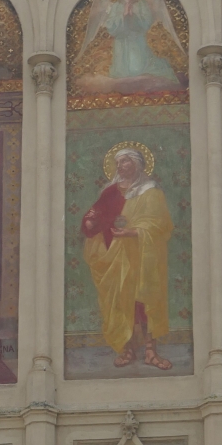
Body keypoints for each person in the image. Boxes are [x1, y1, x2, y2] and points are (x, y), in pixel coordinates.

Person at [82, 146, 173, 369]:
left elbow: (160, 224)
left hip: (143, 255)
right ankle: (128, 349)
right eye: (118, 162)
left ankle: (151, 352)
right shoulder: (111, 191)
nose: (120, 166)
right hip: (115, 253)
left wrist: (133, 232)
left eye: (125, 161)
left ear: (137, 163)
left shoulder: (151, 191)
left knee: (145, 301)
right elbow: (95, 213)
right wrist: (90, 222)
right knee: (123, 302)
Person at [77, 0, 185, 95]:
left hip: (137, 41)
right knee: (120, 72)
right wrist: (123, 18)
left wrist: (133, 18)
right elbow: (110, 26)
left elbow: (147, 21)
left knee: (137, 68)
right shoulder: (115, 6)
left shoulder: (142, 4)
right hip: (121, 43)